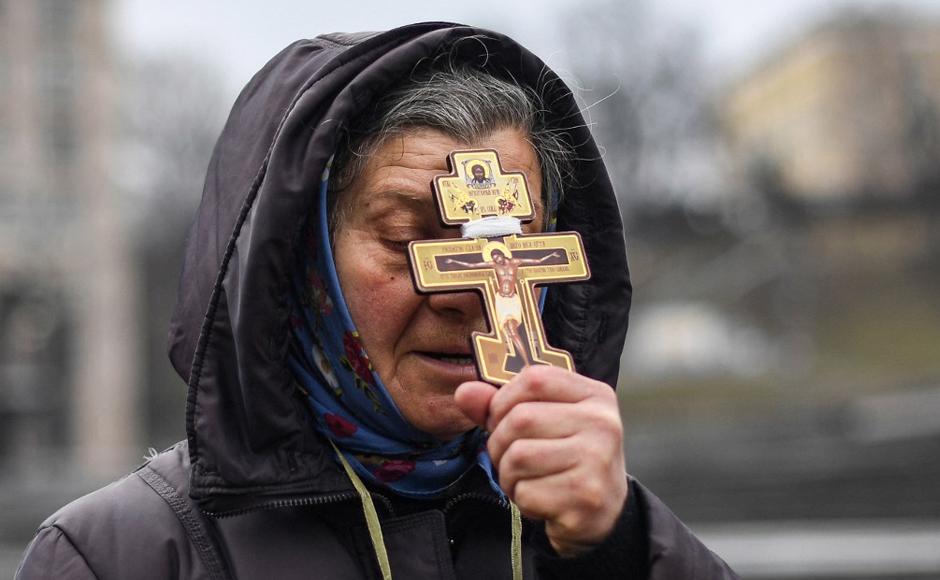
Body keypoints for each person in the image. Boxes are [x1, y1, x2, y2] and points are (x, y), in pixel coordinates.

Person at [16, 23, 739, 579]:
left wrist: (612, 550)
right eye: (406, 238)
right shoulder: (118, 557)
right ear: (301, 264)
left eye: (514, 242)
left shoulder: (604, 526)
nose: (474, 296)